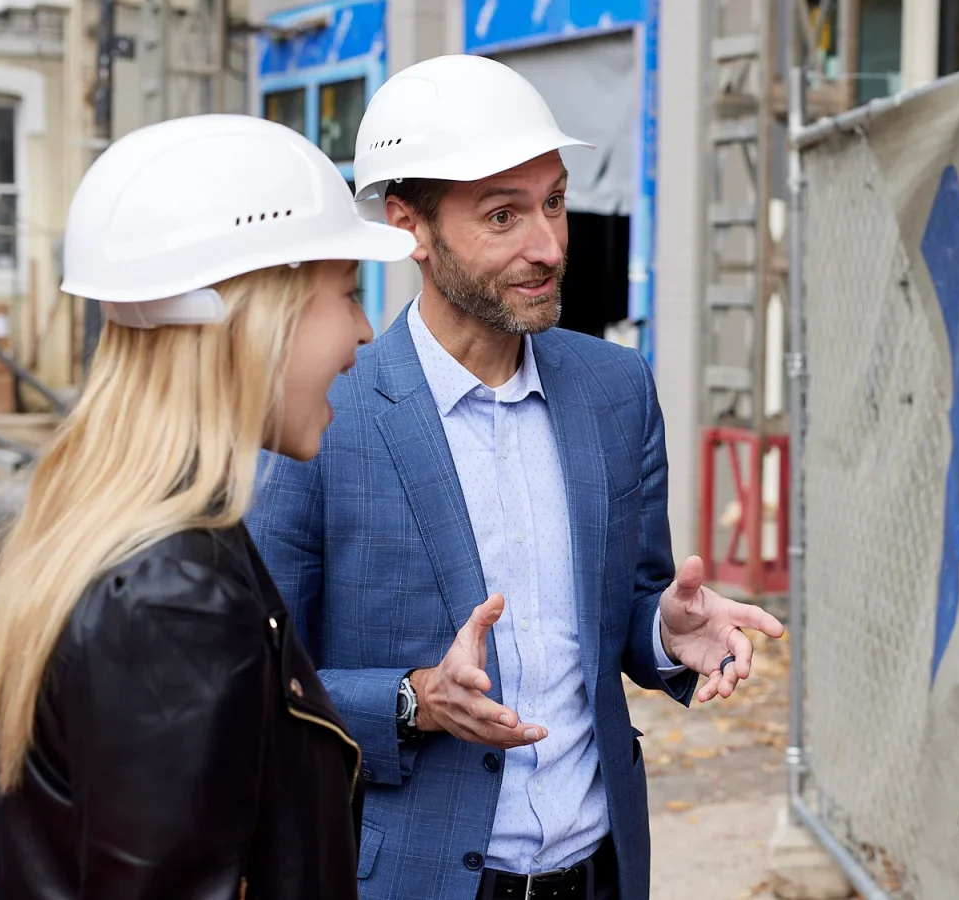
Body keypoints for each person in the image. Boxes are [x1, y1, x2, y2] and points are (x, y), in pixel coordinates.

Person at [246, 54, 784, 900]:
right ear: (407, 228)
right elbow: (258, 684)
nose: (549, 246)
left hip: (600, 869)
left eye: (556, 202)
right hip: (411, 879)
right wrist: (414, 701)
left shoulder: (616, 389)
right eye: (503, 216)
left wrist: (665, 634)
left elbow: (632, 607)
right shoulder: (320, 412)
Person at [0, 114, 416, 898]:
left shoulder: (119, 536)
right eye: (345, 293)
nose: (361, 331)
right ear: (248, 317)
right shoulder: (176, 602)